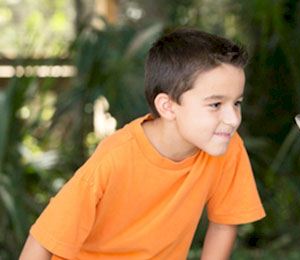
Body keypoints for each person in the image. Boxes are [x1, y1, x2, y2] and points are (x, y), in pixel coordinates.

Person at [19, 29, 265, 259]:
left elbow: (224, 222)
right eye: (215, 105)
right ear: (168, 107)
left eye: (237, 103)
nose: (233, 119)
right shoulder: (113, 160)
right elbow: (42, 239)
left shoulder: (226, 145)